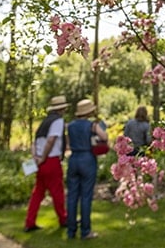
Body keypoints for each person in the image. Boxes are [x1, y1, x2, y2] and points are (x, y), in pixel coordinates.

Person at [24, 95, 68, 232]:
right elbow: (51, 140)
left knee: (38, 193)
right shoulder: (58, 121)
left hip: (40, 161)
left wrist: (36, 157)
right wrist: (43, 157)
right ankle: (63, 219)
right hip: (51, 160)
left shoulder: (44, 123)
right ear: (62, 109)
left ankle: (29, 222)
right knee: (57, 192)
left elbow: (34, 143)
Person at [65, 99, 107, 240]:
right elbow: (105, 137)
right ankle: (85, 231)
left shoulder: (70, 126)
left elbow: (69, 145)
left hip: (74, 159)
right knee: (86, 196)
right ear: (89, 112)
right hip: (87, 158)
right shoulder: (92, 125)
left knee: (72, 197)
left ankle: (71, 231)